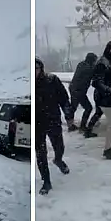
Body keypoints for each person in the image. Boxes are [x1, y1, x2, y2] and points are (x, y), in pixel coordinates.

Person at [35, 58, 74, 195]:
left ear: (41, 69)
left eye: (36, 68)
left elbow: (64, 98)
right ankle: (46, 181)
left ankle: (58, 160)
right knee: (40, 153)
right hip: (37, 124)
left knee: (59, 147)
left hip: (53, 120)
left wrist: (68, 115)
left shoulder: (52, 80)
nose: (34, 72)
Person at [67, 52, 98, 135]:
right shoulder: (88, 69)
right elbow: (95, 75)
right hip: (79, 91)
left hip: (73, 88)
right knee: (88, 108)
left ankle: (70, 125)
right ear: (92, 60)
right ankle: (82, 126)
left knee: (73, 107)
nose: (95, 62)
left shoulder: (81, 64)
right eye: (95, 61)